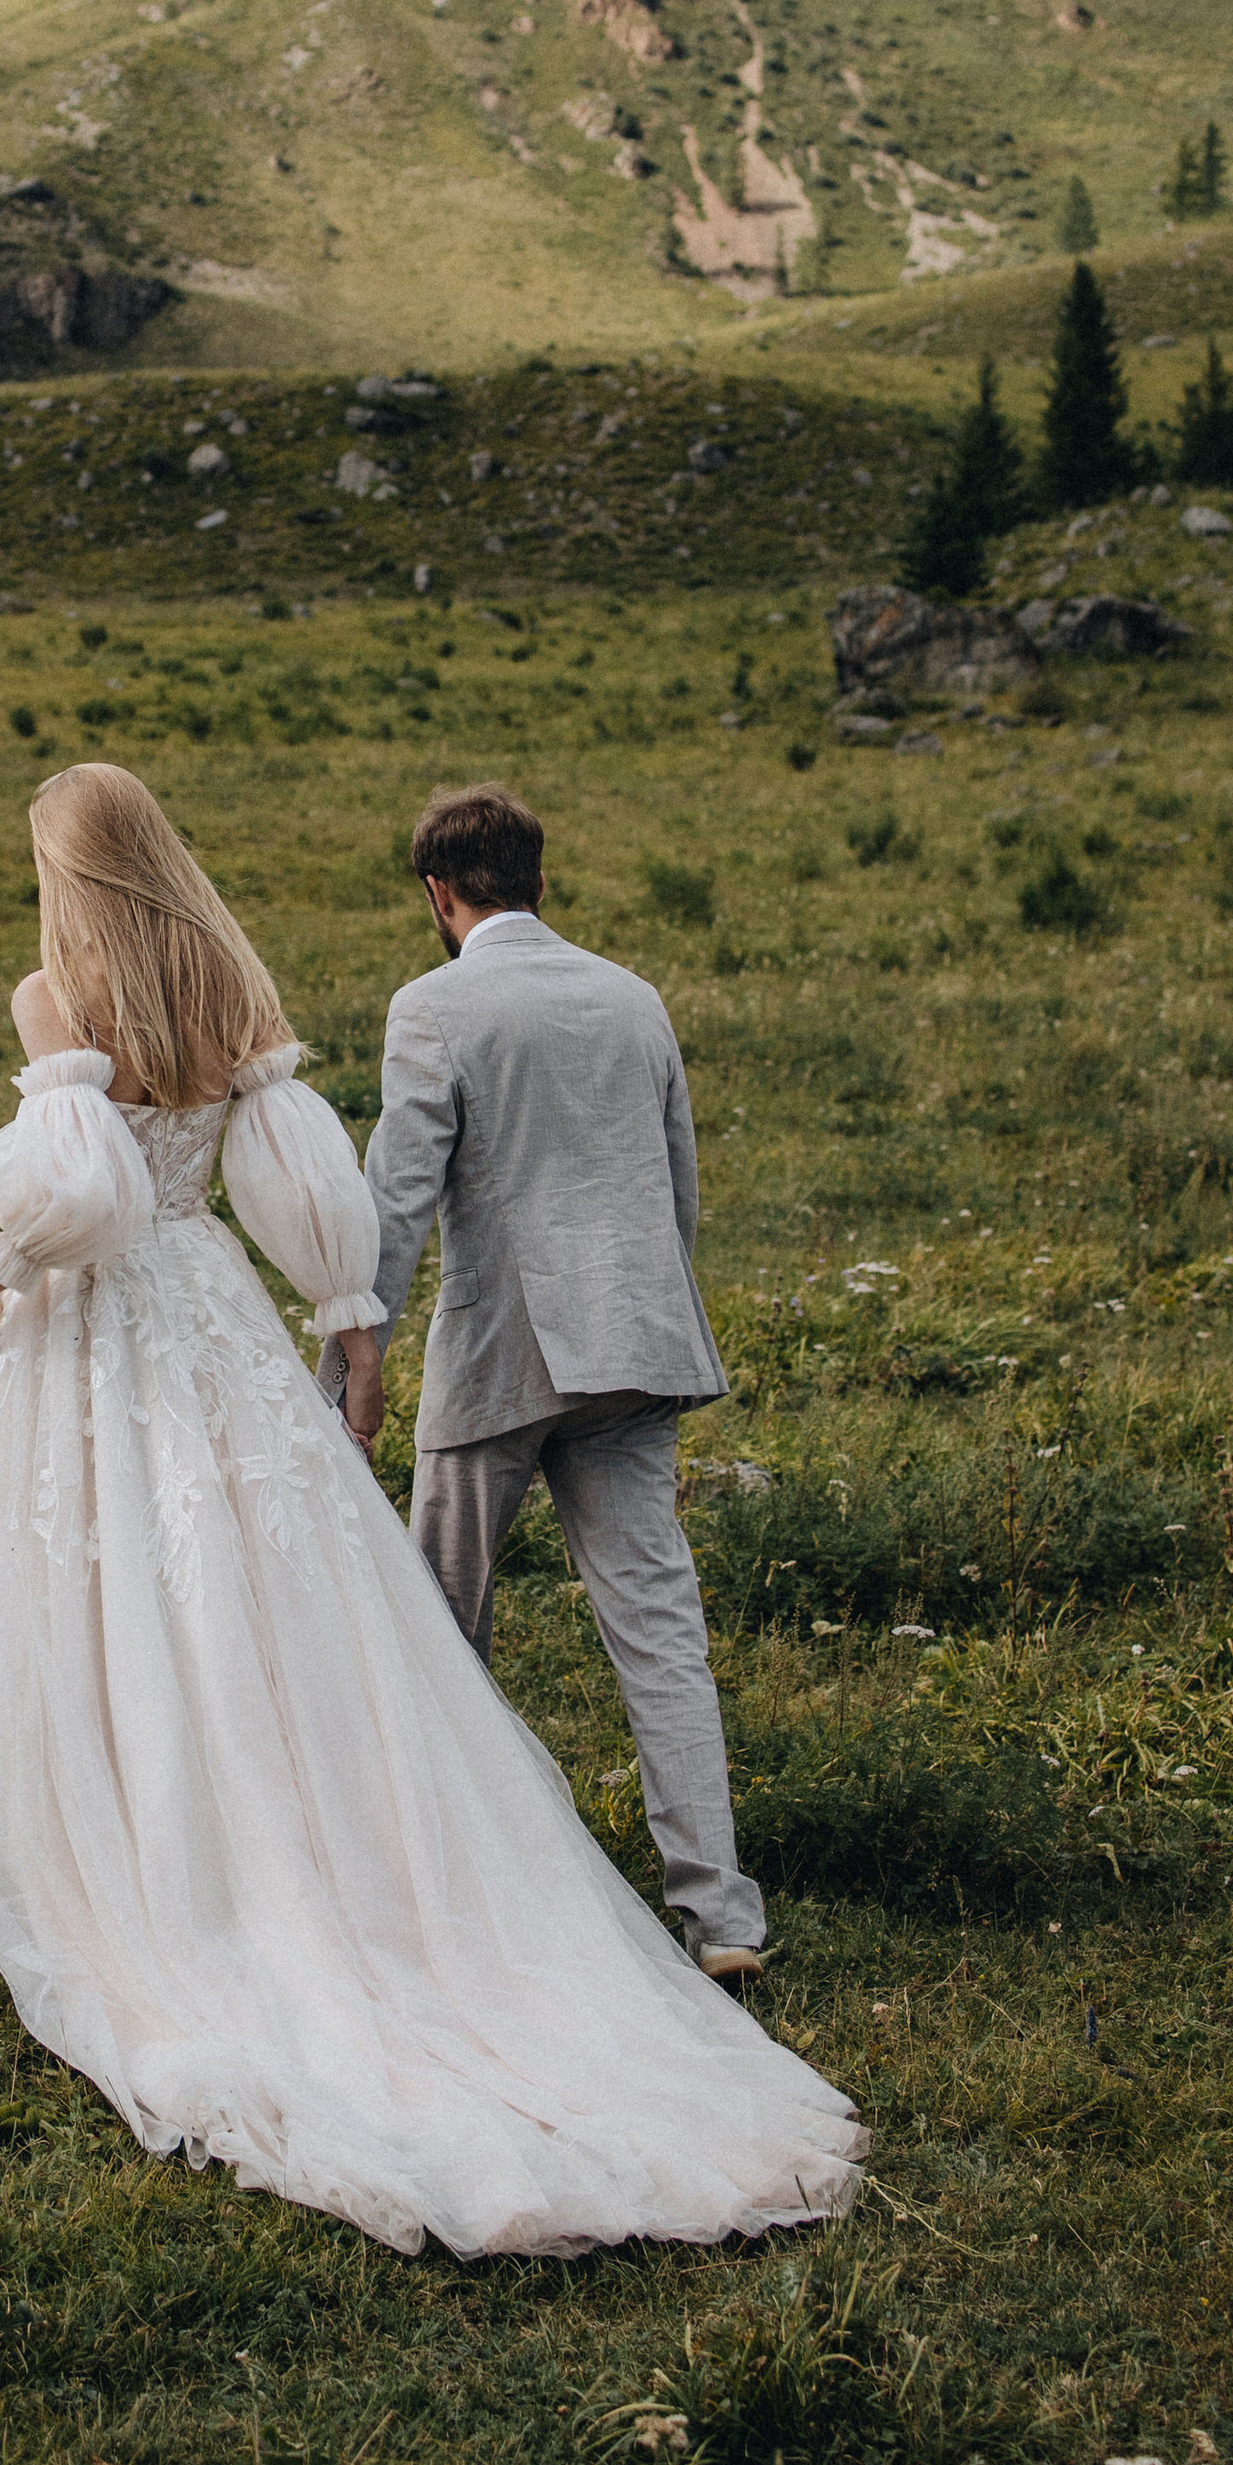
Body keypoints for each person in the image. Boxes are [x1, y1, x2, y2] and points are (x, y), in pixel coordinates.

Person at [0, 759, 862, 2261]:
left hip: (121, 1318)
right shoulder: (234, 987)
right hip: (239, 1314)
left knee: (82, 1580)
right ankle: (658, 1893)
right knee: (299, 1592)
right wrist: (348, 1319)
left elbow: (79, 1203)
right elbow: (300, 1179)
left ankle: (110, 1848)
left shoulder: (54, 998)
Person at [325, 784, 770, 1984]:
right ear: (537, 879)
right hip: (639, 1347)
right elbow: (677, 1186)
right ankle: (722, 1913)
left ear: (437, 893)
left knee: (440, 1624)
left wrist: (348, 1365)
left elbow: (396, 1201)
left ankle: (440, 1888)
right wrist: (657, 1321)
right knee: (660, 1629)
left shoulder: (434, 1007)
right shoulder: (633, 997)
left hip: (501, 1359)